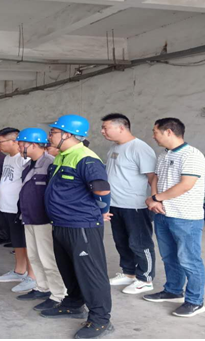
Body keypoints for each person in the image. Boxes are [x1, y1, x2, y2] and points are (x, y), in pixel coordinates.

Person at [43, 115, 114, 339]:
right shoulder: (62, 156)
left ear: (68, 134)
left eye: (53, 132)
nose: (50, 136)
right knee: (68, 268)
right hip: (61, 223)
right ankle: (73, 303)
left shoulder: (86, 158)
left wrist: (101, 211)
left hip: (81, 225)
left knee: (91, 273)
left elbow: (102, 190)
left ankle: (100, 319)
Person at [144, 118, 205, 318]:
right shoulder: (163, 155)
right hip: (163, 214)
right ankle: (173, 290)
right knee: (169, 257)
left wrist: (156, 198)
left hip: (185, 217)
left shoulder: (192, 155)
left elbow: (186, 185)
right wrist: (155, 199)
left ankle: (195, 301)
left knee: (189, 260)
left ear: (169, 131)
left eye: (156, 132)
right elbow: (155, 178)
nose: (153, 136)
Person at [100, 113, 157, 295]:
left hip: (135, 206)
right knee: (121, 242)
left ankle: (145, 279)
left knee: (140, 243)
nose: (102, 131)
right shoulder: (114, 147)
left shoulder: (139, 148)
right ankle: (129, 273)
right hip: (116, 204)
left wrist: (155, 199)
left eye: (106, 128)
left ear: (121, 127)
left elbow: (152, 177)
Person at [15, 128, 67, 310]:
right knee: (34, 256)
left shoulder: (50, 163)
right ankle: (42, 287)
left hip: (44, 220)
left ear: (33, 144)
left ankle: (58, 294)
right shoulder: (28, 165)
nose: (19, 147)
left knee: (48, 259)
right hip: (29, 217)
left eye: (22, 144)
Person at [0, 127, 37, 293]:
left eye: (0, 141)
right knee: (17, 241)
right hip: (7, 206)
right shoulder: (8, 158)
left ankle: (32, 276)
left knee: (27, 243)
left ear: (14, 141)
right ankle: (19, 271)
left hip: (19, 208)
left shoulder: (24, 158)